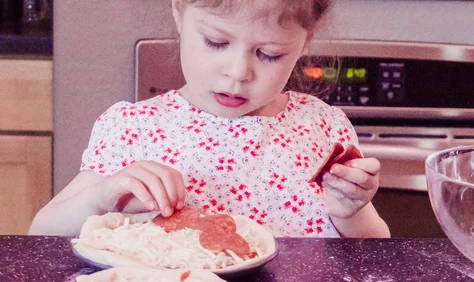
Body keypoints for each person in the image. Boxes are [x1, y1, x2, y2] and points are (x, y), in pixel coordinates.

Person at [29, 0, 390, 238]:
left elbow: (372, 250)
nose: (238, 72)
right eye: (216, 42)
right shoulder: (131, 129)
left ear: (305, 42)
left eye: (269, 54)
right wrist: (100, 199)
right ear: (179, 12)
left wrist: (350, 214)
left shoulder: (324, 129)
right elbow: (41, 233)